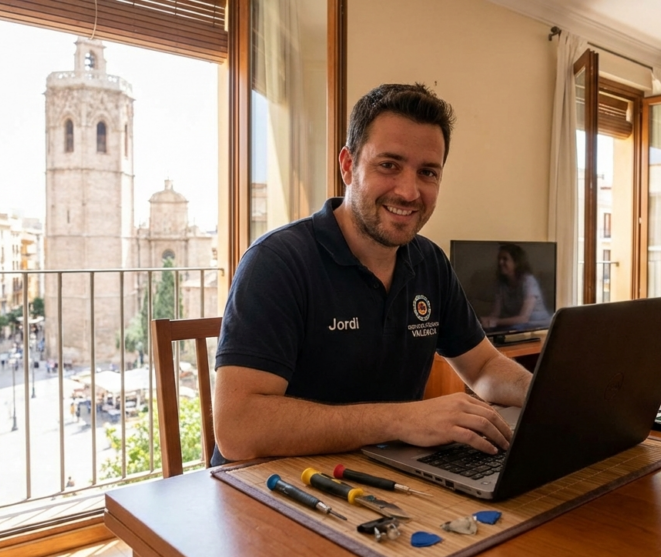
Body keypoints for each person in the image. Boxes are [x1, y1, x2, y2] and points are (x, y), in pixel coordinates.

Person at [213, 83, 532, 463]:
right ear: (348, 166)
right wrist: (400, 419)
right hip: (274, 490)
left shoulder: (429, 262)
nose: (410, 191)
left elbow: (482, 367)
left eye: (428, 172)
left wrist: (545, 394)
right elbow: (238, 429)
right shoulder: (277, 262)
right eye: (389, 165)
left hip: (386, 480)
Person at [480, 243, 551, 330]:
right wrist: (486, 321)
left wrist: (495, 321)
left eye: (505, 259)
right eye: (499, 259)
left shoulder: (528, 281)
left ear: (516, 262)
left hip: (537, 326)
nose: (500, 262)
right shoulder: (501, 284)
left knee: (511, 329)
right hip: (517, 325)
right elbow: (495, 314)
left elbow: (523, 318)